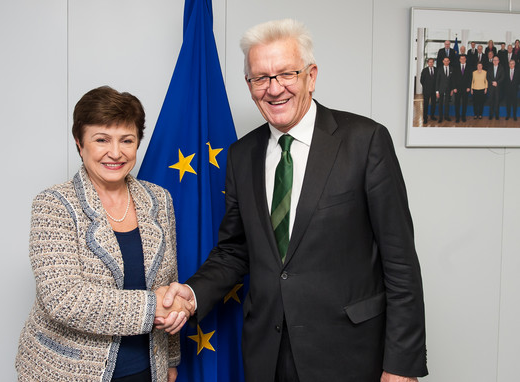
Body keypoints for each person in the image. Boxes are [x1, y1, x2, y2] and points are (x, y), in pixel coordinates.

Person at [158, 19, 427, 382]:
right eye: (260, 78)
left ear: (311, 76)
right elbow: (235, 250)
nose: (274, 89)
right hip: (267, 354)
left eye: (286, 74)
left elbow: (401, 264)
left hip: (349, 353)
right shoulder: (241, 155)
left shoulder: (366, 142)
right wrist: (191, 294)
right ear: (250, 85)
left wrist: (401, 365)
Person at [15, 86, 192, 382]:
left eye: (127, 140)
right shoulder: (54, 204)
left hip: (148, 369)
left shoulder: (159, 199)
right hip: (66, 370)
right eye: (101, 140)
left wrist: (171, 358)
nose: (115, 152)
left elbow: (167, 281)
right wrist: (154, 306)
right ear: (79, 144)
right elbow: (64, 299)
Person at [453, 54, 472, 123]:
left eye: (464, 59)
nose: (463, 60)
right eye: (461, 59)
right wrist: (454, 87)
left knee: (464, 103)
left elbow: (470, 78)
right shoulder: (456, 67)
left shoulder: (469, 67)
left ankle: (463, 117)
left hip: (465, 89)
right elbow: (453, 78)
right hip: (457, 89)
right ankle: (457, 117)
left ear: (465, 59)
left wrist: (469, 87)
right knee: (457, 104)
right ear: (459, 60)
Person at [436, 56, 454, 122]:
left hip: (448, 89)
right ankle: (440, 117)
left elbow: (452, 80)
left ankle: (446, 116)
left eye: (447, 61)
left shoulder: (452, 69)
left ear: (449, 61)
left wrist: (452, 89)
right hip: (441, 89)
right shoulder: (439, 69)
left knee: (447, 103)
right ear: (443, 61)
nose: (446, 62)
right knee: (440, 103)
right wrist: (437, 91)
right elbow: (437, 80)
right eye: (445, 61)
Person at [420, 57, 437, 124]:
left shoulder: (436, 69)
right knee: (426, 105)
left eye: (432, 62)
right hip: (426, 91)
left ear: (433, 63)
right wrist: (426, 87)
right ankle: (425, 118)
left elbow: (437, 80)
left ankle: (432, 116)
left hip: (434, 90)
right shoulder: (424, 70)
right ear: (427, 63)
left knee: (433, 104)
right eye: (430, 62)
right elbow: (421, 80)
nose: (431, 63)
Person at [487, 55, 504, 120]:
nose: (495, 61)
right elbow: (487, 77)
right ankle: (490, 115)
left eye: (496, 60)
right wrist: (492, 82)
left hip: (498, 87)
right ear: (492, 61)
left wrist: (497, 82)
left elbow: (503, 77)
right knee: (491, 101)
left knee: (497, 101)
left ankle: (497, 115)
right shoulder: (490, 68)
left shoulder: (501, 68)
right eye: (494, 60)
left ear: (498, 61)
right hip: (491, 87)